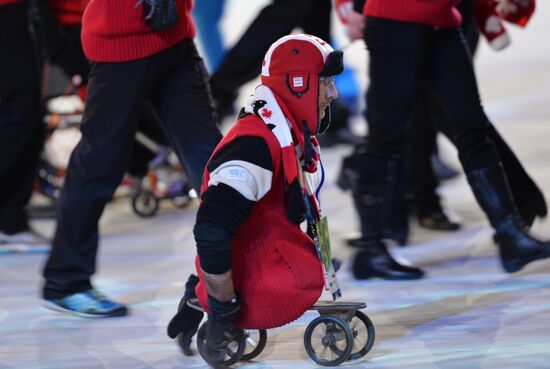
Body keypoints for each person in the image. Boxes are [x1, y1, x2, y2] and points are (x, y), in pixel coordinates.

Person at [167, 34, 343, 365]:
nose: (332, 94)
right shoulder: (253, 145)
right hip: (262, 275)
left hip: (263, 255)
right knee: (300, 276)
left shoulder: (283, 132)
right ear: (298, 83)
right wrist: (220, 312)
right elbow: (211, 230)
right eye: (327, 82)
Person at [344, 0, 550, 280]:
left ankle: (511, 235)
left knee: (471, 126)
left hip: (443, 19)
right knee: (386, 136)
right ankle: (371, 250)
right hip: (397, 18)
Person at [41, 0, 222, 317]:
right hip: (121, 46)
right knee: (99, 164)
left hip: (175, 38)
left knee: (215, 163)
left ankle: (242, 269)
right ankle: (66, 281)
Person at [0, 0, 49, 252]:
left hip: (21, 13)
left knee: (27, 118)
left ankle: (10, 220)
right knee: (18, 116)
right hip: (9, 17)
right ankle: (10, 221)